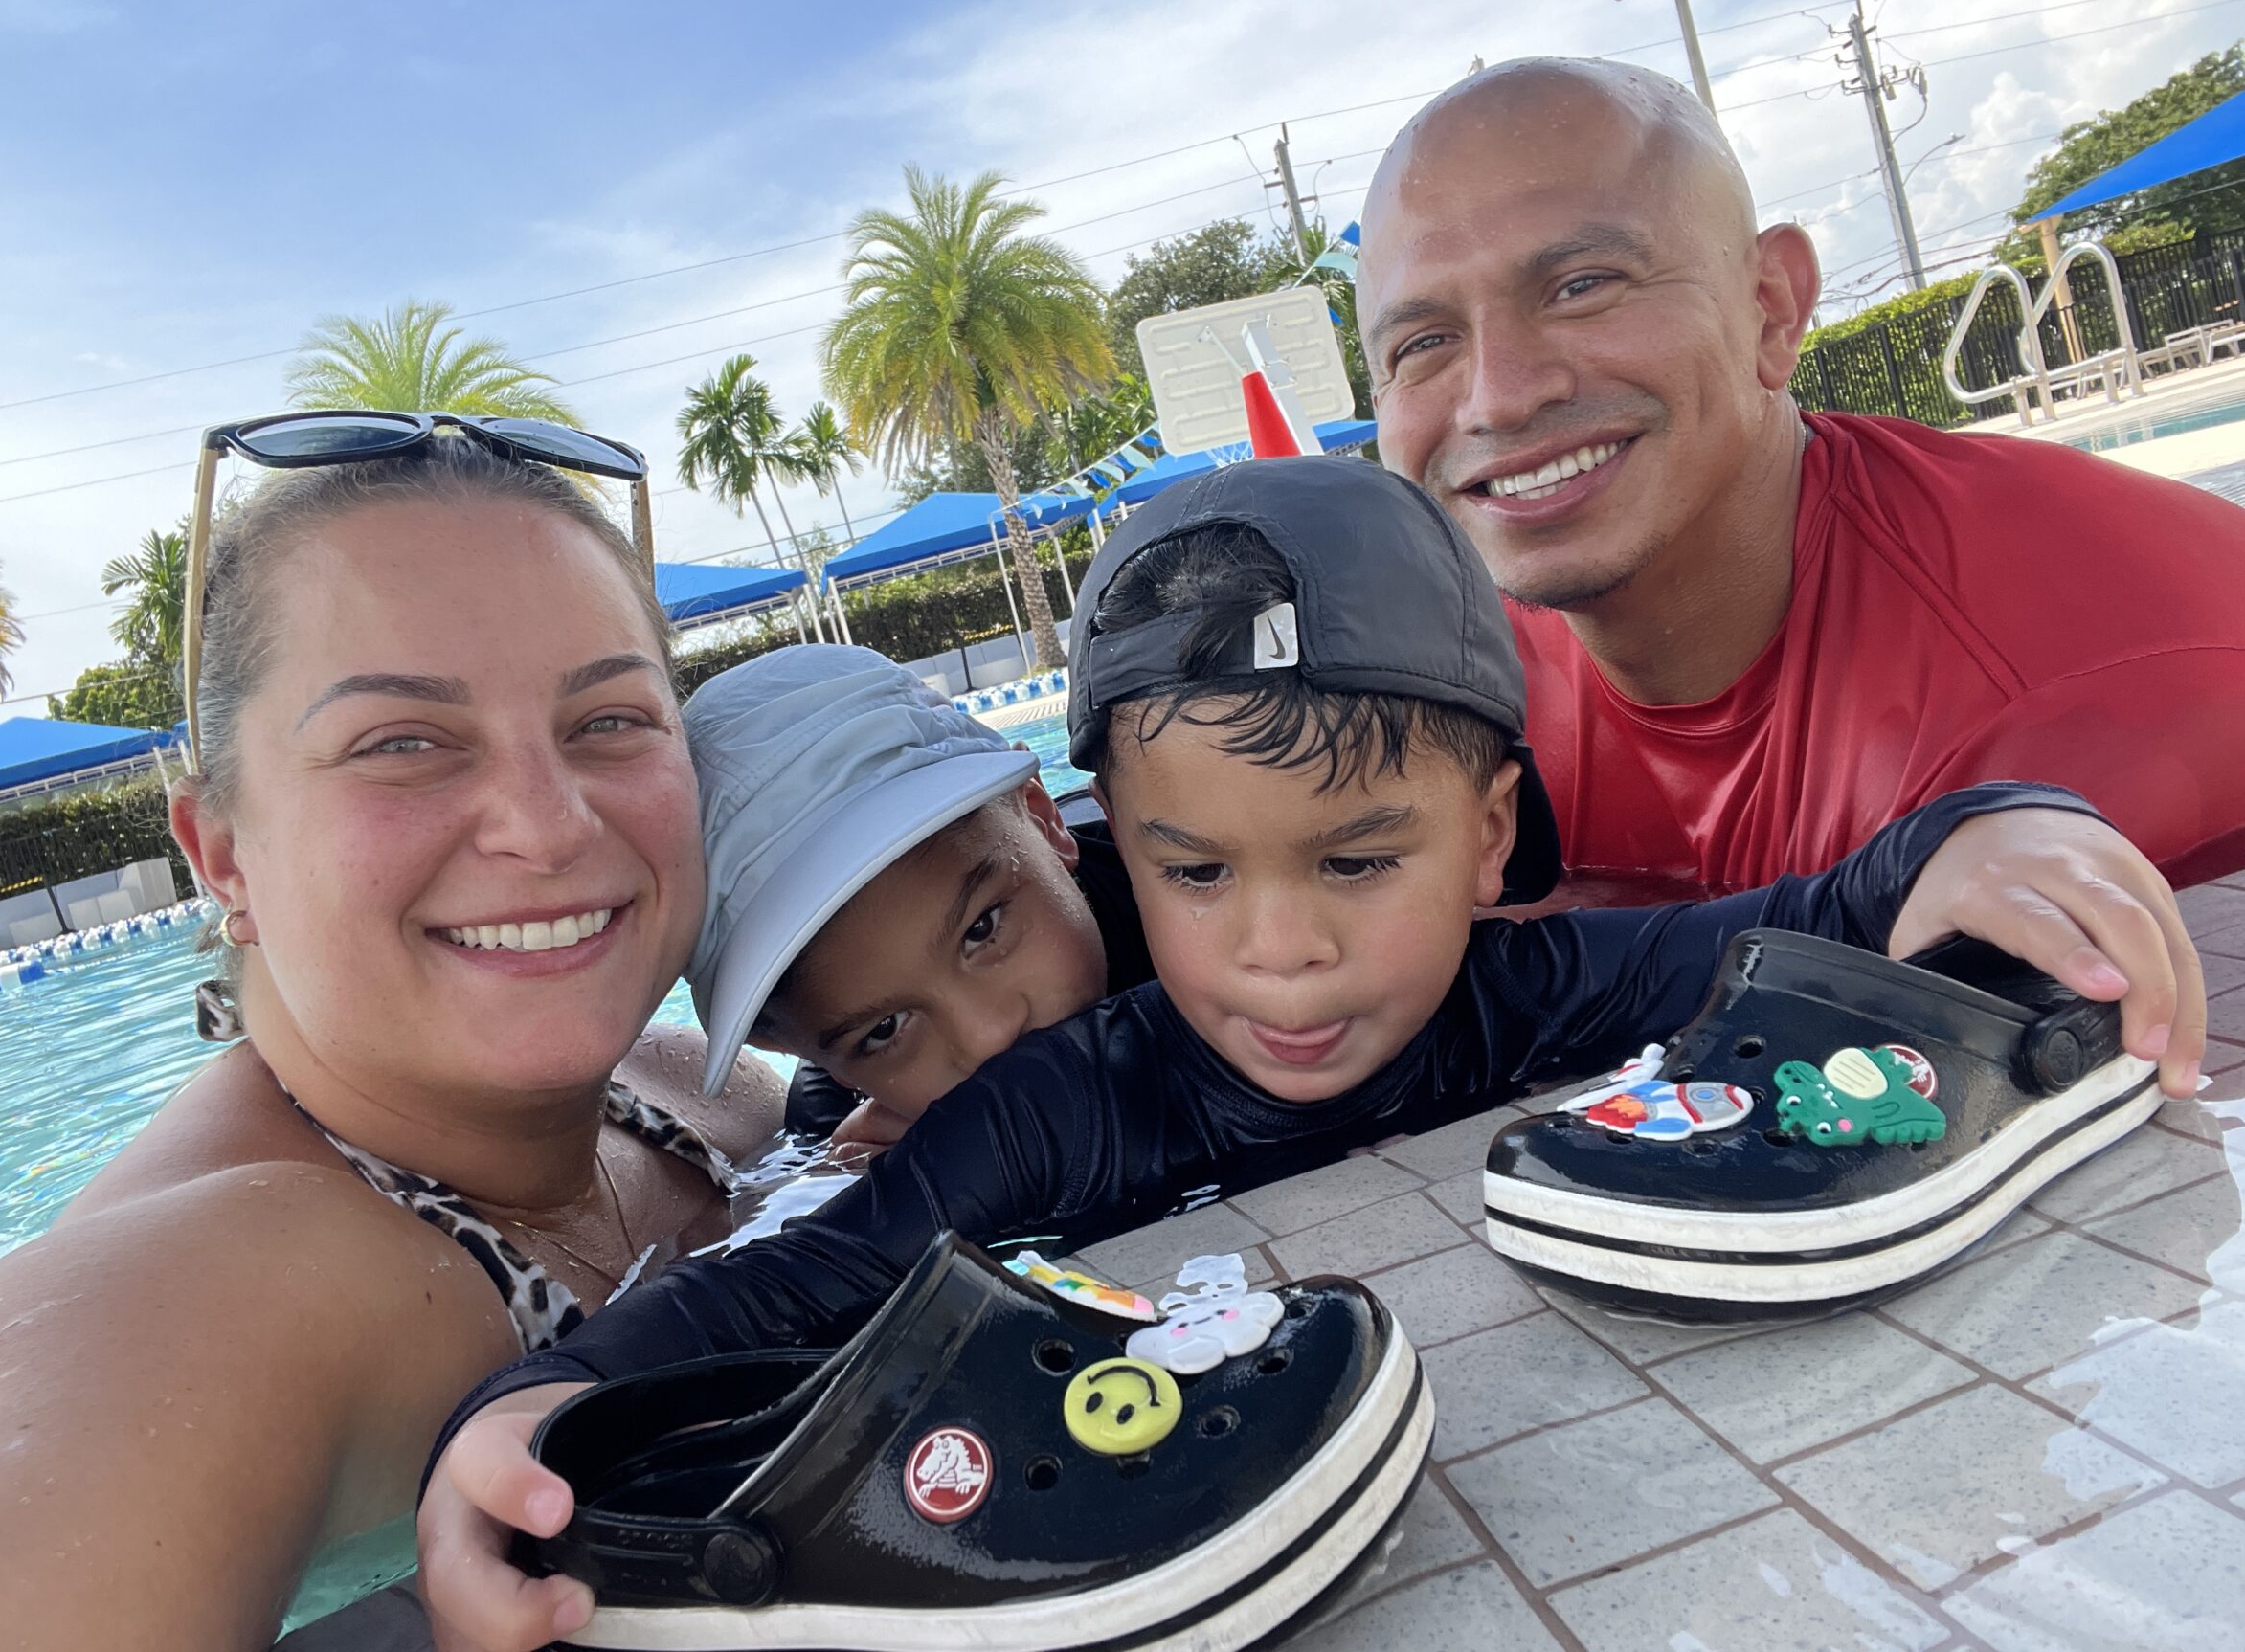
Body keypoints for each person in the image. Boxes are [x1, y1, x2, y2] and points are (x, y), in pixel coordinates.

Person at [415, 456, 2205, 1652]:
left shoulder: (1517, 989)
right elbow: (786, 1292)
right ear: (1126, 839)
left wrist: (1993, 829)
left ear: (1490, 842)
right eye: (1196, 877)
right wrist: (515, 1417)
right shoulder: (1050, 1113)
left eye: (1361, 862)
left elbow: (1791, 916)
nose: (1283, 949)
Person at [0, 430, 782, 1650]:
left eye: (610, 719)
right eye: (402, 742)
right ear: (221, 855)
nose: (546, 822)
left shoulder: (702, 1092)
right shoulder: (245, 1275)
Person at [1357, 56, 2245, 901]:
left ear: (1770, 308)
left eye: (1583, 285)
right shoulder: (1438, 696)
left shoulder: (2084, 691)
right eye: (1423, 343)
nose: (1499, 399)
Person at [683, 643, 1152, 1152]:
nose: (988, 1037)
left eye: (982, 929)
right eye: (885, 1031)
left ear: (1043, 819)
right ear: (784, 1044)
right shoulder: (845, 1136)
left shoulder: (1190, 899)